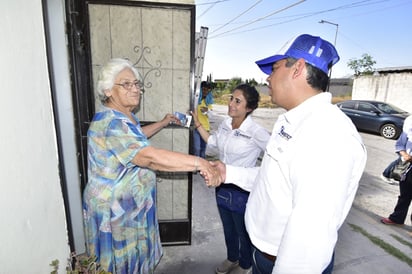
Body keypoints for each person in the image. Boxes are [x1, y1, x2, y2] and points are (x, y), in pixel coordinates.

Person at [205, 34, 367, 274]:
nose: (268, 77)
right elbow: (275, 179)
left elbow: (309, 238)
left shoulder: (328, 134)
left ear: (297, 68)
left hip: (284, 263)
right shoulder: (291, 120)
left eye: (275, 68)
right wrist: (229, 172)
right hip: (263, 254)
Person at [82, 58, 219, 274]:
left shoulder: (124, 117)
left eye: (137, 84)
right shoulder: (112, 123)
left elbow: (136, 139)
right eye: (126, 84)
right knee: (120, 266)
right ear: (108, 90)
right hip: (116, 215)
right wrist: (199, 162)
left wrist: (163, 122)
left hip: (131, 210)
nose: (135, 89)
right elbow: (149, 157)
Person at [192, 84, 270, 274]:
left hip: (242, 189)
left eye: (237, 101)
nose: (231, 104)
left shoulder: (256, 131)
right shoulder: (226, 124)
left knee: (243, 232)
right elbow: (212, 143)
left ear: (249, 108)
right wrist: (198, 123)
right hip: (222, 185)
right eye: (231, 99)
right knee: (228, 229)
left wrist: (255, 175)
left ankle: (245, 265)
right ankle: (232, 258)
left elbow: (276, 159)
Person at [380, 126, 412, 225]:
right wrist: (404, 154)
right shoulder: (410, 129)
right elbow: (400, 144)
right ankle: (397, 218)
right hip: (408, 166)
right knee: (404, 195)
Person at [193, 81, 214, 158]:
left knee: (203, 149)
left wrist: (207, 111)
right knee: (197, 149)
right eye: (204, 89)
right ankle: (196, 167)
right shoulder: (195, 101)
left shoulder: (208, 102)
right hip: (196, 128)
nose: (205, 91)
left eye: (207, 90)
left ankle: (202, 168)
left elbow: (211, 116)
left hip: (205, 129)